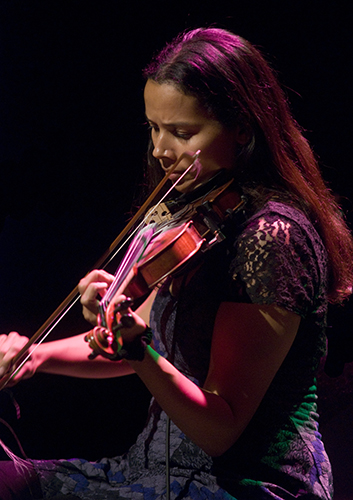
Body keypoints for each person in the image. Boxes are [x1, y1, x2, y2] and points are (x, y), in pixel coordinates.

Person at [1, 27, 353, 500]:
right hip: (152, 472)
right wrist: (34, 357)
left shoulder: (272, 238)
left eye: (183, 133)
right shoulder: (200, 221)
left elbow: (219, 430)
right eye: (154, 127)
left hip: (244, 484)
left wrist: (139, 351)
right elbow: (129, 338)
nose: (161, 150)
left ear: (243, 129)